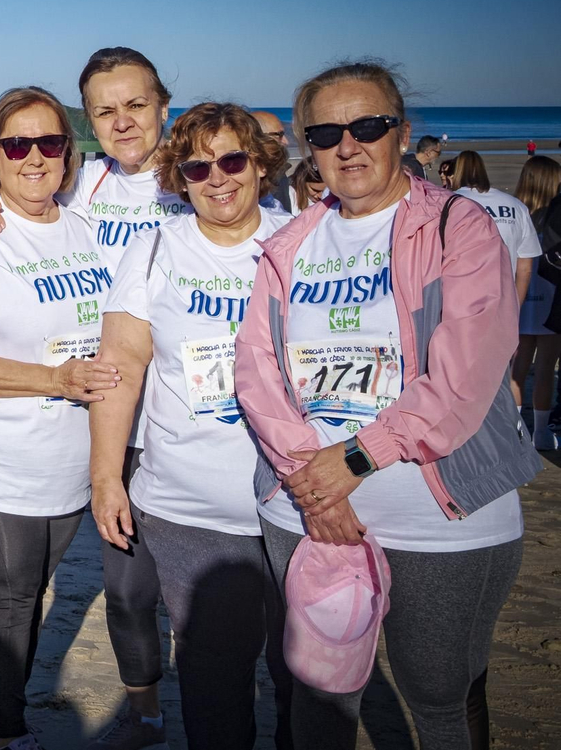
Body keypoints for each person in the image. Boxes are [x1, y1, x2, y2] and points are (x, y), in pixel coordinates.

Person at [236, 60, 542, 750]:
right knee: (319, 694)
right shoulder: (289, 243)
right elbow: (256, 373)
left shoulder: (457, 229)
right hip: (305, 506)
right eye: (326, 132)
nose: (348, 146)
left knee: (439, 697)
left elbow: (465, 374)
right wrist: (314, 484)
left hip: (439, 514)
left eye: (369, 126)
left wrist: (354, 458)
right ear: (306, 147)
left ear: (402, 132)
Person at [0, 48, 183, 749]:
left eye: (135, 105)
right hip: (106, 420)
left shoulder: (205, 179)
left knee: (202, 594)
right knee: (126, 591)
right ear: (89, 124)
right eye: (104, 111)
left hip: (186, 415)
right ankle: (144, 715)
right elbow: (21, 198)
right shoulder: (83, 191)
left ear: (163, 107)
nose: (121, 122)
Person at [90, 102, 292, 749]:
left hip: (300, 506)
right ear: (179, 176)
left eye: (232, 159)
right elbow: (119, 363)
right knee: (213, 682)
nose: (217, 177)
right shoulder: (154, 250)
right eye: (197, 165)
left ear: (259, 163)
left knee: (304, 678)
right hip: (189, 509)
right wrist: (104, 477)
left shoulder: (302, 242)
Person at [0, 85, 118, 750]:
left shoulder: (84, 227)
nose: (34, 157)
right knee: (9, 594)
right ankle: (5, 732)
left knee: (31, 588)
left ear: (69, 152)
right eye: (16, 145)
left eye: (50, 142)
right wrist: (54, 379)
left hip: (68, 454)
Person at [450, 150, 540, 310]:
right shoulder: (516, 206)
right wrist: (515, 309)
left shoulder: (447, 204)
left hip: (459, 303)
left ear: (455, 173)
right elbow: (525, 267)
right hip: (502, 302)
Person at [513, 156, 561, 448]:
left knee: (518, 365)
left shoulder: (516, 213)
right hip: (551, 296)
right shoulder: (554, 216)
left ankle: (514, 429)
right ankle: (541, 432)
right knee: (545, 366)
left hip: (519, 294)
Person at [252, 109, 295, 211]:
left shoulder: (279, 173)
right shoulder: (251, 179)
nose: (286, 141)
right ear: (260, 137)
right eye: (279, 135)